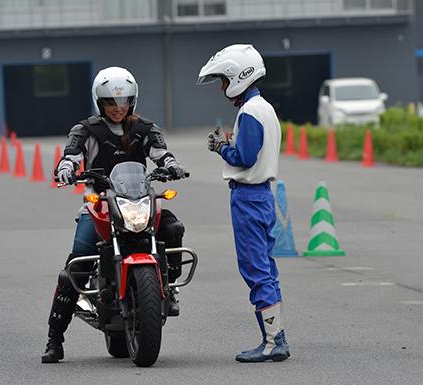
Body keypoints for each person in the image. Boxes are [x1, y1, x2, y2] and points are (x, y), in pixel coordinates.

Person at [42, 66, 188, 364]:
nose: (118, 109)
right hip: (100, 203)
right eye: (111, 102)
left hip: (138, 197)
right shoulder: (86, 130)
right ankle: (55, 339)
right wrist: (66, 169)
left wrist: (172, 166)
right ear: (100, 102)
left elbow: (161, 153)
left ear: (132, 101)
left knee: (172, 228)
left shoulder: (145, 128)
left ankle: (168, 289)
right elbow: (71, 154)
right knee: (77, 263)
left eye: (123, 102)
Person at [196, 44, 290, 363]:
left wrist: (222, 148)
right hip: (263, 195)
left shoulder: (250, 111)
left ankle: (272, 342)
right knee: (265, 267)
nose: (222, 87)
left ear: (238, 76)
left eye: (224, 80)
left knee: (255, 267)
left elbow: (245, 158)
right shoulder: (264, 108)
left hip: (248, 196)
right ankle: (277, 337)